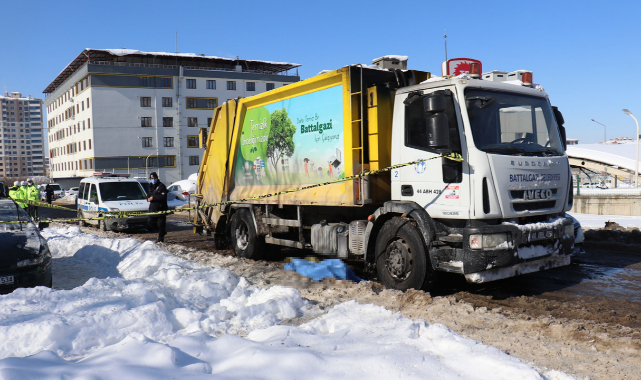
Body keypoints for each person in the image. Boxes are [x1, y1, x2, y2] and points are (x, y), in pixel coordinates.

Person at [147, 172, 168, 242]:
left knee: (161, 224)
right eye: (152, 178)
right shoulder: (150, 186)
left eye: (154, 178)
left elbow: (163, 197)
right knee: (150, 222)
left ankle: (160, 238)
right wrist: (148, 198)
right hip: (153, 208)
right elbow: (148, 195)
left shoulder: (161, 186)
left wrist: (153, 198)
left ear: (157, 178)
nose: (153, 180)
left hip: (161, 208)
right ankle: (162, 232)